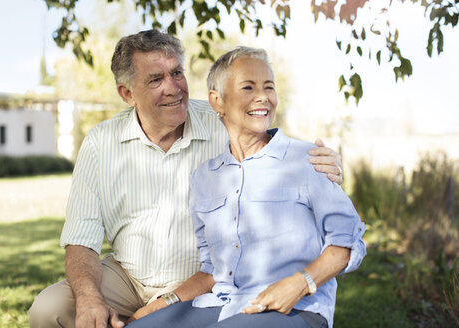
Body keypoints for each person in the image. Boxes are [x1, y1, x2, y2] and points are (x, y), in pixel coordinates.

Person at [28, 31, 345, 328]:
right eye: (155, 79)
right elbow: (81, 239)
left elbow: (279, 153)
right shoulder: (100, 142)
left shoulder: (223, 121)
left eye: (176, 73)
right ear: (127, 93)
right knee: (50, 309)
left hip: (202, 279)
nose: (173, 87)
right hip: (128, 275)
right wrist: (89, 298)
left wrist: (323, 163)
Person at [124, 47, 366, 328]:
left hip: (297, 309)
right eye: (248, 87)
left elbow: (349, 243)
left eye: (269, 87)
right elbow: (211, 271)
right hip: (224, 303)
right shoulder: (204, 177)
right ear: (217, 101)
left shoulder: (309, 160)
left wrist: (301, 282)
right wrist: (161, 304)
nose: (262, 96)